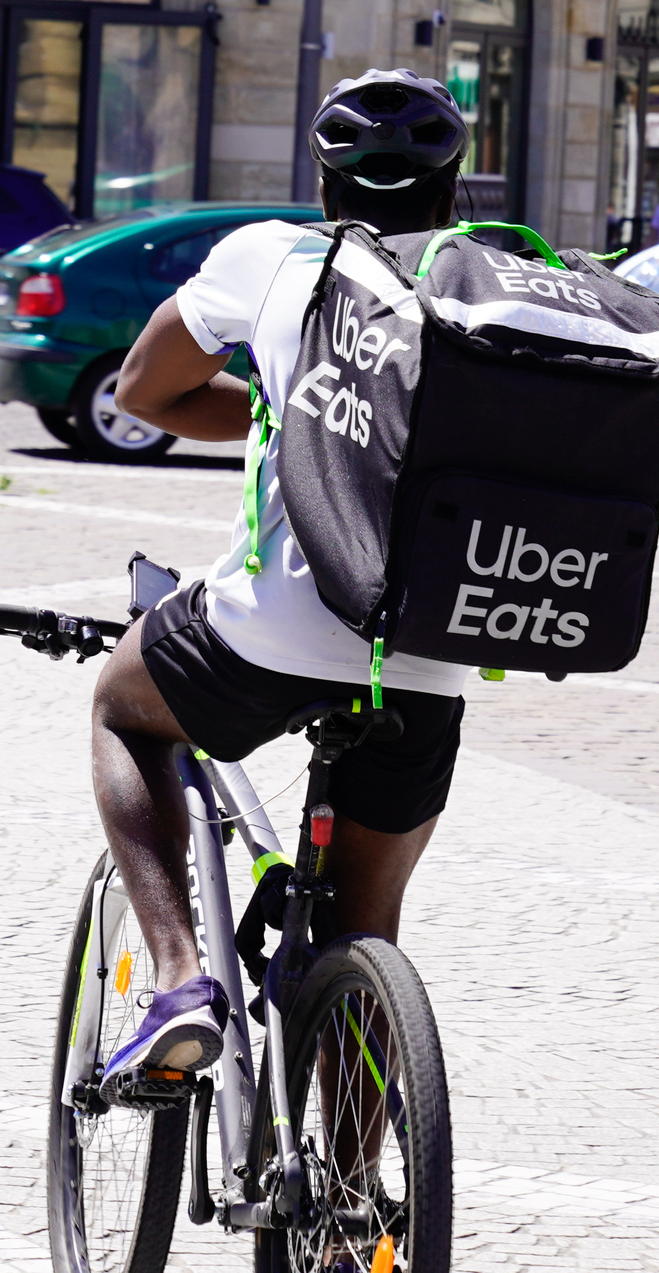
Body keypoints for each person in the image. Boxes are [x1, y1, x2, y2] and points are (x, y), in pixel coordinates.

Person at [89, 70, 472, 1091]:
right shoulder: (483, 286)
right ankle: (351, 1245)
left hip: (267, 635)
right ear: (449, 199)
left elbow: (143, 389)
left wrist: (277, 409)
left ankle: (177, 981)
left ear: (324, 192)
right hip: (427, 661)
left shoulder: (270, 259)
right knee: (364, 921)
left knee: (125, 707)